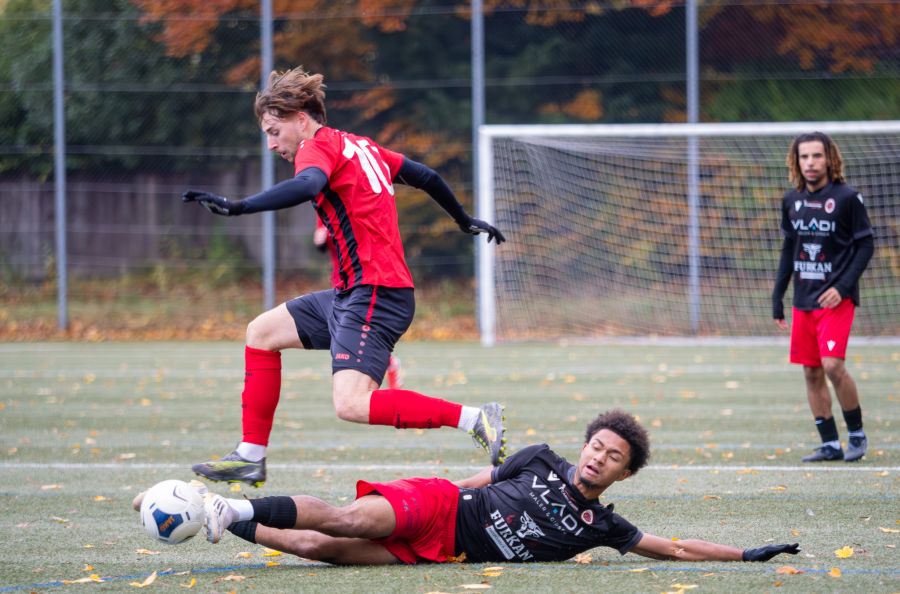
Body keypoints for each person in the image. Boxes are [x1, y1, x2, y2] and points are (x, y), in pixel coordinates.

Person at [181, 66, 507, 487]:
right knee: (261, 333)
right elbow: (427, 176)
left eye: (273, 130)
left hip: (377, 293)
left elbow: (308, 183)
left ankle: (476, 418)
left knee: (352, 404)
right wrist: (463, 220)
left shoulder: (316, 149)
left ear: (301, 118)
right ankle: (250, 456)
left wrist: (240, 206)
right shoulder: (359, 145)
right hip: (353, 293)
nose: (270, 143)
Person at [153, 410, 799, 565]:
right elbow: (479, 477)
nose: (598, 458)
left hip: (446, 551)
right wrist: (426, 493)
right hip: (440, 503)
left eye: (613, 457)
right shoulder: (541, 458)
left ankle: (217, 514)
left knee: (318, 550)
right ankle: (230, 502)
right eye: (596, 445)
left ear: (624, 474)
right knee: (348, 519)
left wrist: (745, 556)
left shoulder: (604, 528)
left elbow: (678, 548)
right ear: (584, 447)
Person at [772, 132, 875, 463]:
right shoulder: (791, 200)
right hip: (804, 299)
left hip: (836, 300)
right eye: (804, 157)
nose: (811, 163)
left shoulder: (847, 198)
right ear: (796, 161)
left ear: (830, 159)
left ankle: (856, 435)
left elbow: (866, 245)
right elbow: (790, 248)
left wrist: (843, 287)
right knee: (812, 372)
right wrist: (778, 294)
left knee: (832, 366)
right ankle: (830, 443)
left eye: (817, 156)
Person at [314, 218, 404, 390]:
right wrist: (321, 238)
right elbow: (320, 242)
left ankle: (386, 364)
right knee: (342, 330)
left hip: (363, 281)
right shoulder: (324, 205)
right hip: (340, 280)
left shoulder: (357, 205)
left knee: (359, 329)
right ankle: (384, 365)